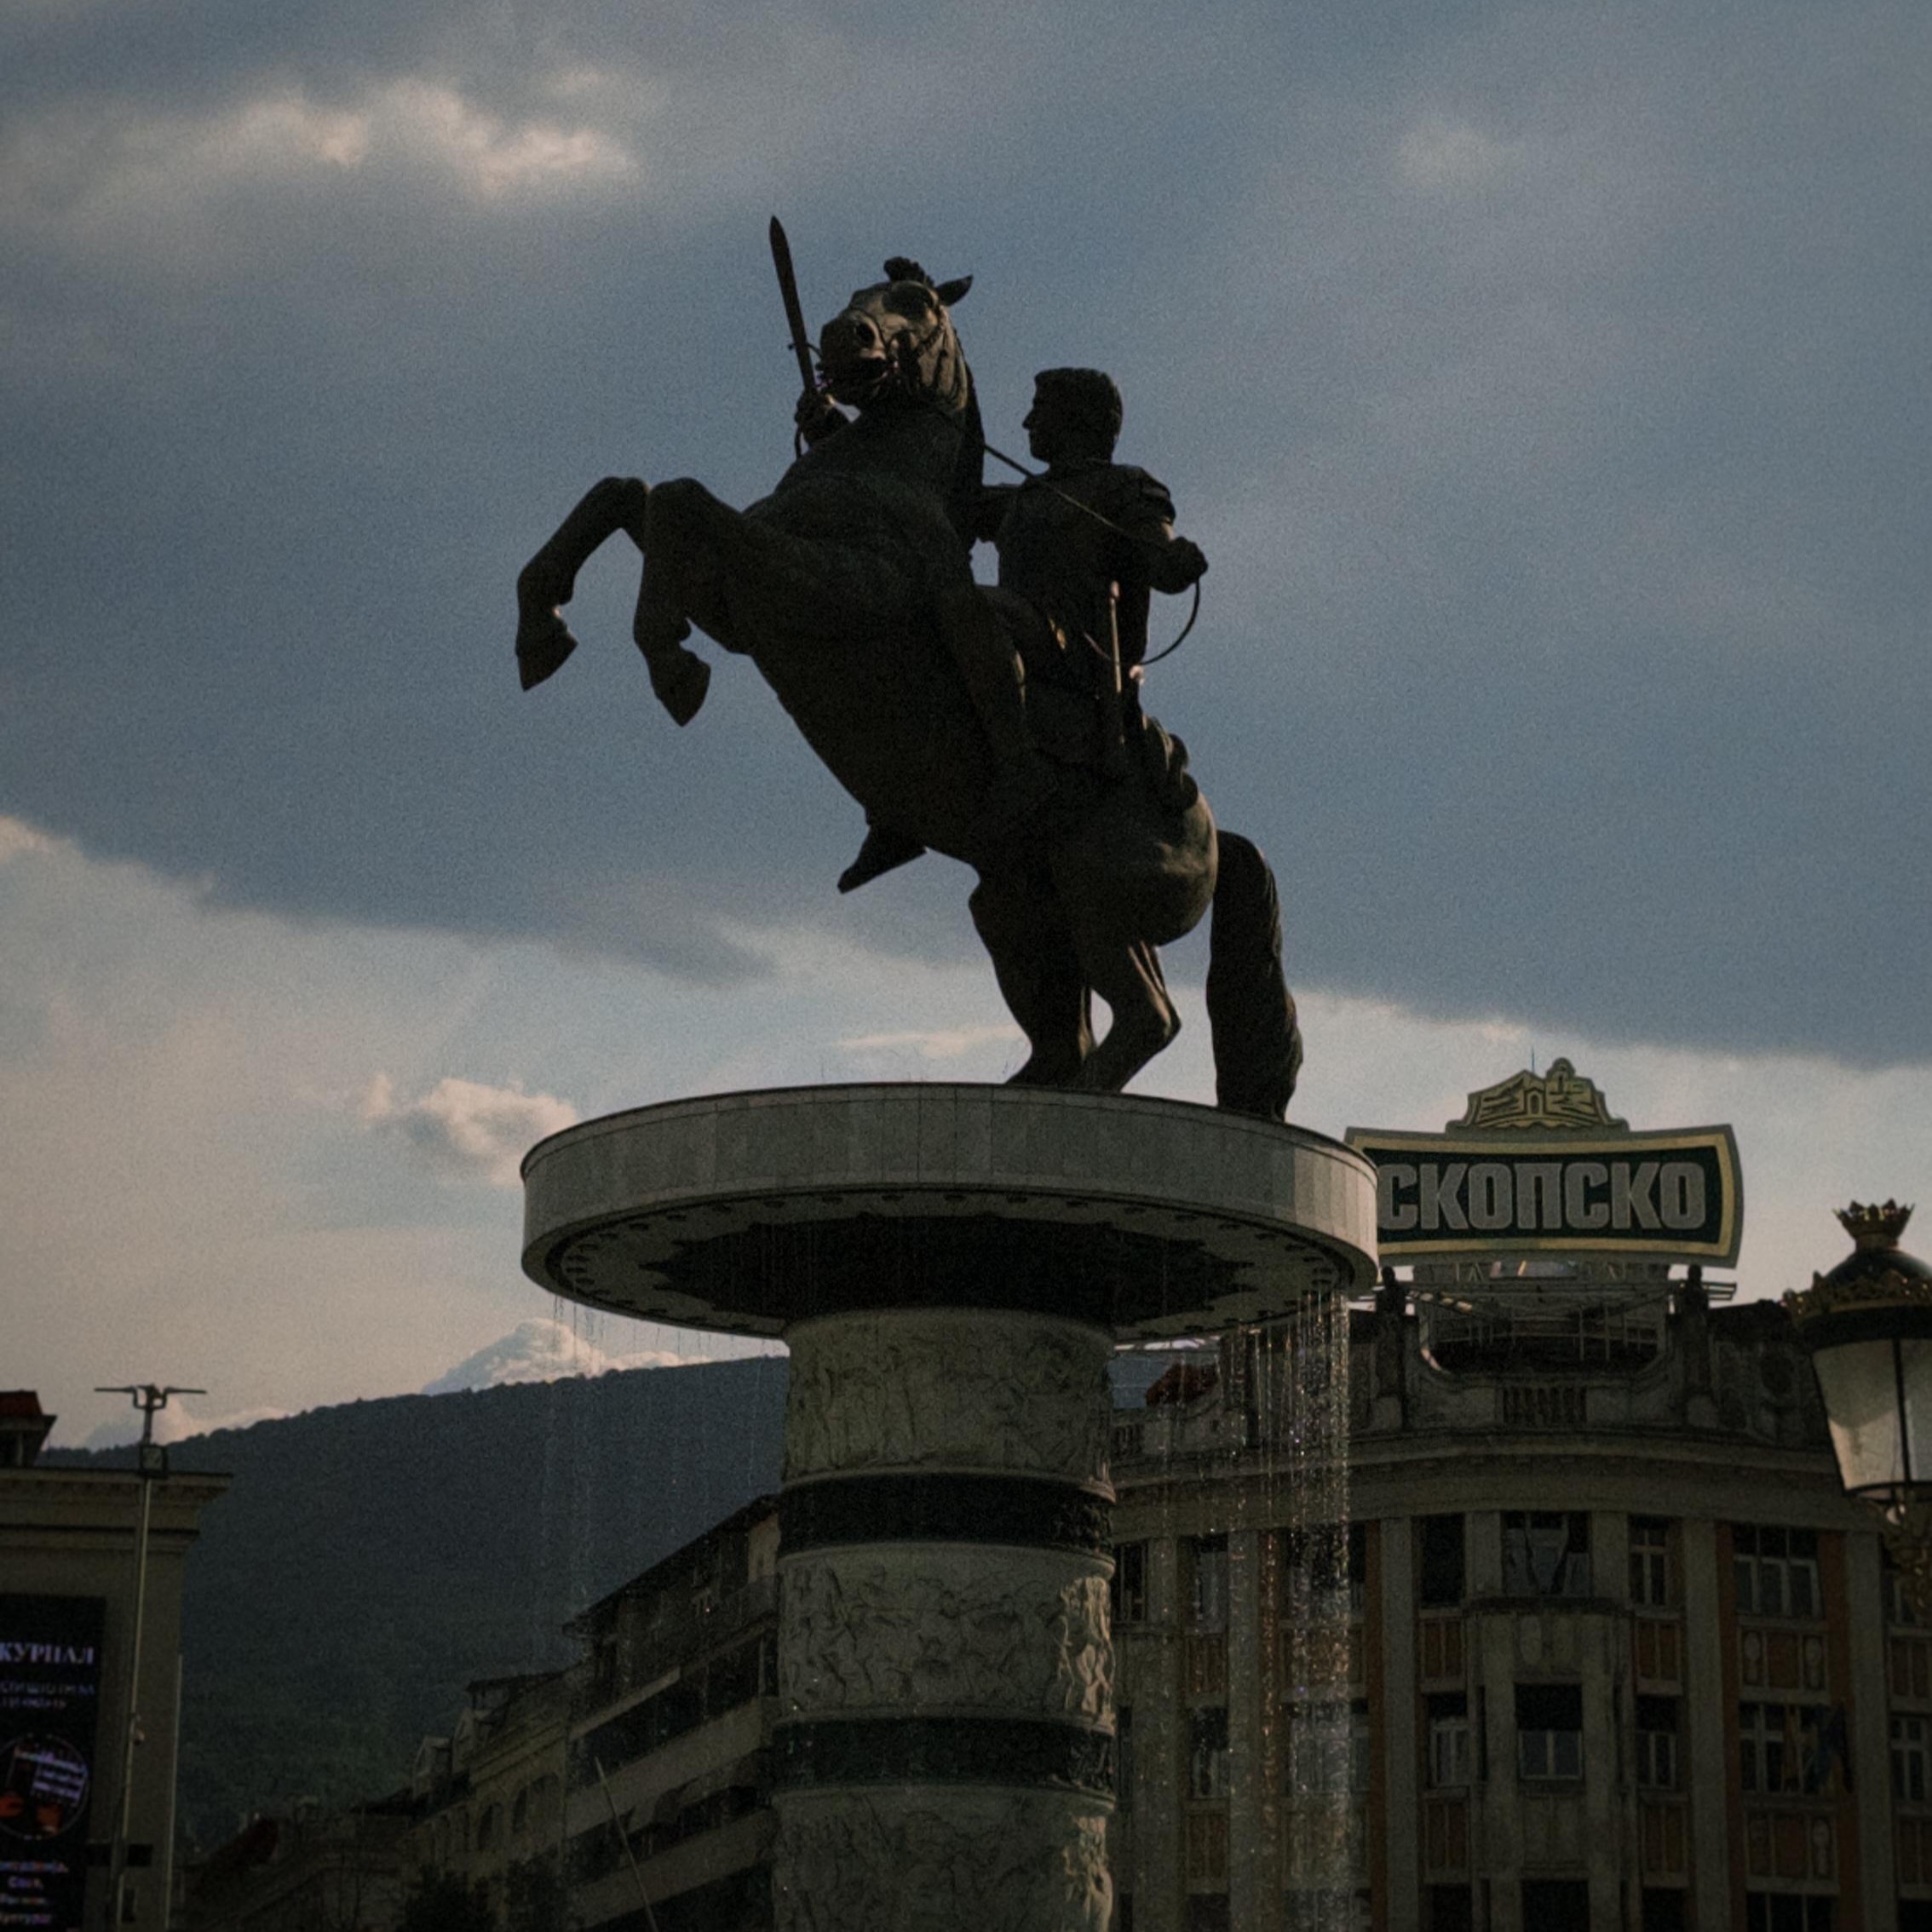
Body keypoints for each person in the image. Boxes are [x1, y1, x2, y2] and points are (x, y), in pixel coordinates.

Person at [837, 367, 1207, 893]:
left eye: (1040, 409)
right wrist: (836, 432)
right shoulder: (1024, 497)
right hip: (1014, 636)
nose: (1028, 422)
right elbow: (931, 496)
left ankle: (1020, 768)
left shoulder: (1125, 487)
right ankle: (897, 808)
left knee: (968, 604)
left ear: (1077, 420)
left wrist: (1176, 560)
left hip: (1078, 653)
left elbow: (1160, 554)